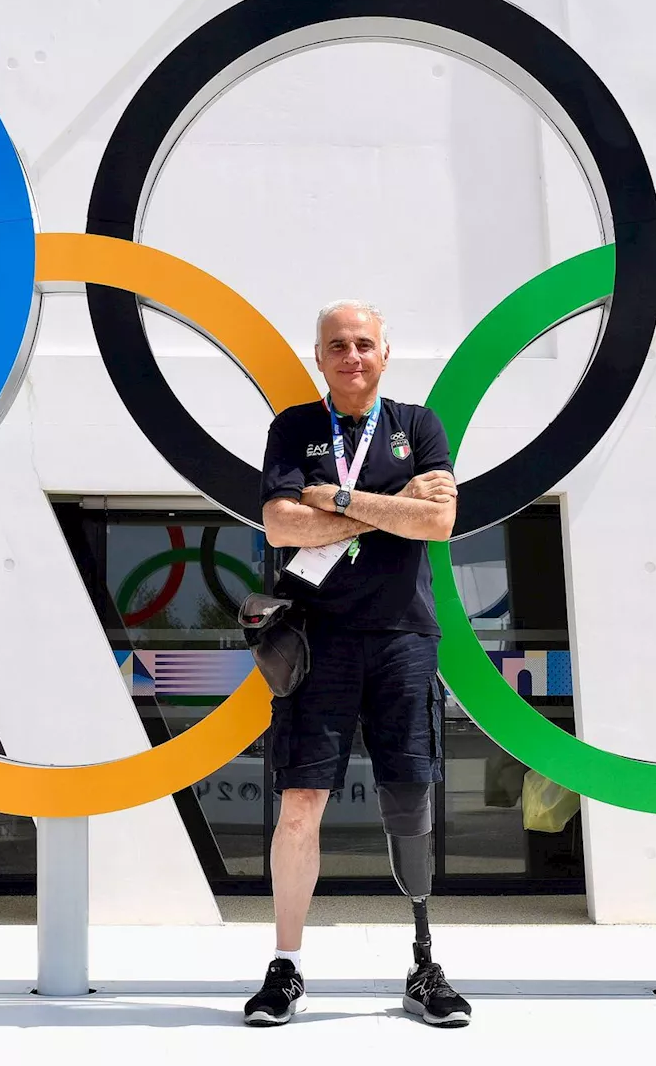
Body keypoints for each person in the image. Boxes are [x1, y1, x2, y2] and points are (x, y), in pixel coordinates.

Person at [243, 299, 470, 1027]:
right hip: (318, 638)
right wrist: (388, 504)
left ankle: (424, 961)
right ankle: (287, 966)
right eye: (337, 344)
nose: (352, 355)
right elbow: (281, 522)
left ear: (384, 352)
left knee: (409, 799)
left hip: (404, 635)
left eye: (364, 343)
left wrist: (338, 498)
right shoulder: (295, 428)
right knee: (299, 803)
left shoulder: (418, 425)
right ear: (319, 356)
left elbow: (437, 520)